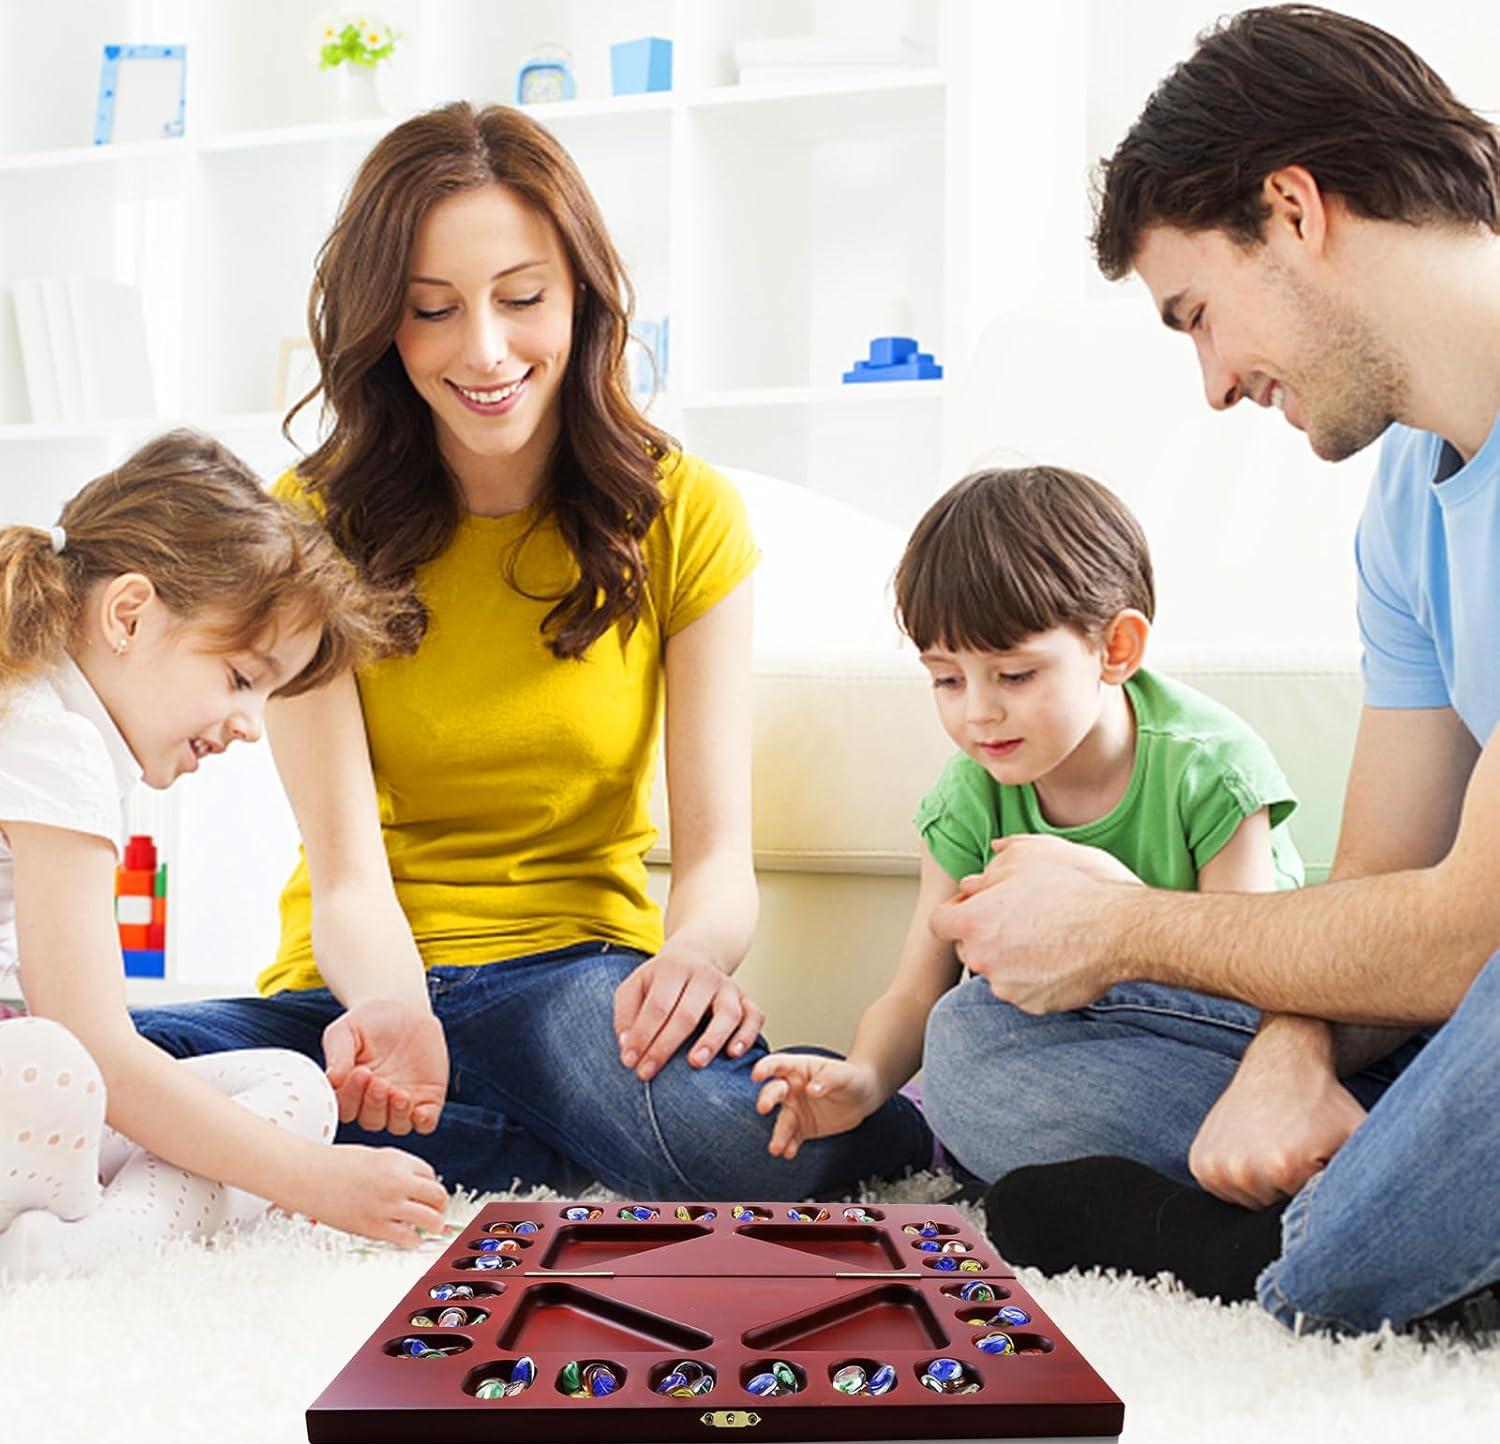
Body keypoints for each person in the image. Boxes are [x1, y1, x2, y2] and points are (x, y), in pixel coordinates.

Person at [130, 103, 931, 1199]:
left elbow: (714, 861)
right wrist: (394, 1011)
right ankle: (511, 1145)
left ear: (582, 298)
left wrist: (692, 961)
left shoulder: (681, 511)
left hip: (574, 990)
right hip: (360, 993)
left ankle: (345, 1143)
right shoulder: (310, 523)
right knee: (90, 1065)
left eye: (522, 299)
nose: (487, 351)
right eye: (433, 310)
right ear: (382, 324)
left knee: (735, 1144)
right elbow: (348, 871)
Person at [924, 5, 1500, 1339]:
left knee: (1365, 1223)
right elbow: (1379, 886)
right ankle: (1411, 1210)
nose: (1215, 383)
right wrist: (1292, 1059)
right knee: (983, 1051)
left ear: (1292, 210)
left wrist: (1126, 927)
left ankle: (1291, 1255)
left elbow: (1467, 928)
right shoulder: (1413, 496)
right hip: (1458, 993)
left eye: (1197, 314)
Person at [752, 464, 1301, 1160]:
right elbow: (917, 992)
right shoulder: (968, 797)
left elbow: (1250, 985)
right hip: (1076, 1054)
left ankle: (1186, 1167)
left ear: (1116, 649)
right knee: (963, 1039)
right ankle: (1154, 1179)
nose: (979, 711)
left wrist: (1112, 907)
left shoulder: (1211, 768)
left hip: (1227, 1046)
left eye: (1014, 675)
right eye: (947, 679)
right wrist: (863, 1081)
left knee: (974, 1054)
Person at [0, 431, 448, 1279]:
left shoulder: (67, 730)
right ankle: (56, 1256)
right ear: (128, 614)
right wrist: (316, 1183)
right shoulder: (47, 738)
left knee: (290, 1084)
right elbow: (94, 1046)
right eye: (244, 679)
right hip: (35, 1074)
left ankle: (65, 1246)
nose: (250, 723)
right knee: (59, 1071)